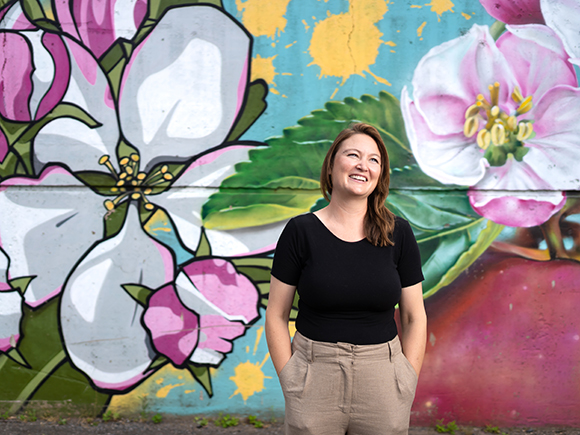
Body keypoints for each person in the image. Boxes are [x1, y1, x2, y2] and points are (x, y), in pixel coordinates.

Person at [265, 123, 427, 435]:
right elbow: (276, 313)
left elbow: (413, 315)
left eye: (373, 160)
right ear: (331, 166)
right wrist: (291, 377)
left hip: (383, 376)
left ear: (380, 174)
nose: (362, 165)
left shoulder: (400, 234)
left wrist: (407, 377)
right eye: (352, 154)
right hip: (313, 376)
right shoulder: (300, 232)